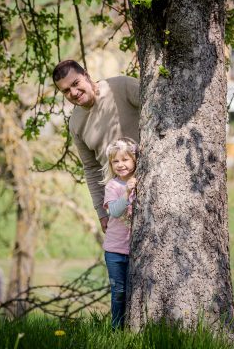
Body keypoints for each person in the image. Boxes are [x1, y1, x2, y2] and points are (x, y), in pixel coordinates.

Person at [52, 60, 139, 233]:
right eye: (66, 91)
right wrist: (101, 212)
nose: (74, 93)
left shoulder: (120, 86)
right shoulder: (75, 123)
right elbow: (91, 168)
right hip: (122, 199)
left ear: (86, 75)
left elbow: (158, 106)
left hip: (153, 180)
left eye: (76, 83)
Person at [101, 137, 137, 329]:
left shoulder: (142, 181)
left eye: (125, 159)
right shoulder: (112, 186)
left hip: (135, 249)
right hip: (115, 251)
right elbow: (115, 211)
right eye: (116, 161)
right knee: (119, 291)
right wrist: (127, 192)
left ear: (134, 160)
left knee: (135, 291)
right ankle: (116, 330)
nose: (121, 164)